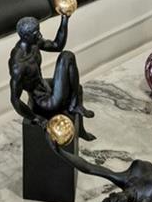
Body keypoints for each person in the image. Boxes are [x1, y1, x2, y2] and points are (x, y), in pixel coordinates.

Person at [9, 10, 95, 140]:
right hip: (45, 102)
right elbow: (15, 100)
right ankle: (74, 105)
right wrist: (36, 118)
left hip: (45, 85)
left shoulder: (34, 43)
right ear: (26, 36)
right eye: (36, 33)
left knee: (77, 87)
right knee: (67, 56)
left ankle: (80, 128)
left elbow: (57, 45)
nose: (40, 35)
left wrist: (64, 19)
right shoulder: (18, 64)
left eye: (38, 31)